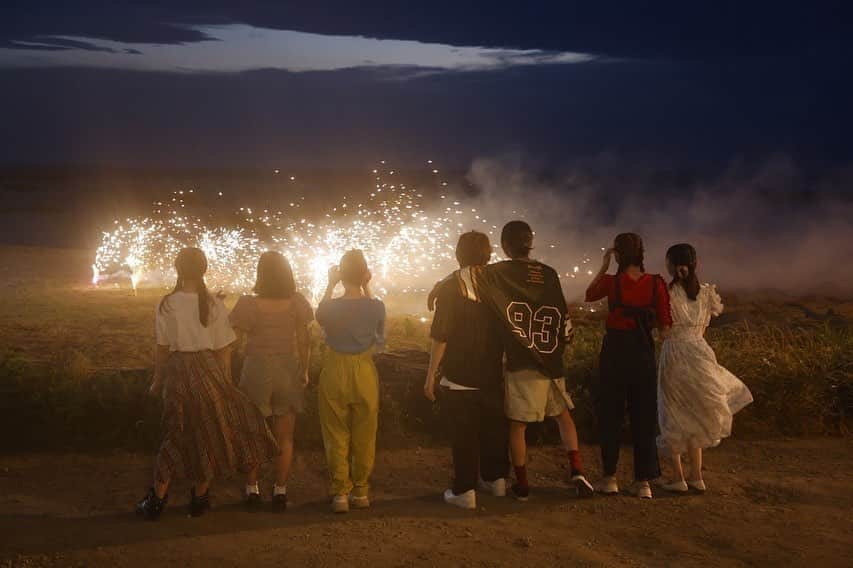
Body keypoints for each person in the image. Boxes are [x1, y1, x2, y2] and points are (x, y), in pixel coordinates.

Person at [435, 221, 593, 500]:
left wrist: (438, 287)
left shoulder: (499, 273)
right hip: (552, 363)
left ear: (505, 246)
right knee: (564, 417)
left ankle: (521, 484)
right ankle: (577, 470)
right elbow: (565, 324)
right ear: (529, 242)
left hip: (522, 362)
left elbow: (466, 277)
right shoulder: (549, 273)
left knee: (516, 426)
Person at [136, 247, 278, 520]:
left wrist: (157, 380)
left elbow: (162, 348)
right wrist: (224, 381)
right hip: (208, 370)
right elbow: (223, 348)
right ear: (204, 270)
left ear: (178, 270)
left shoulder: (167, 303)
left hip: (179, 371)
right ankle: (200, 498)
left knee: (175, 433)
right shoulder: (213, 303)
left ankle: (157, 499)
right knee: (209, 433)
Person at [657, 243, 753, 493]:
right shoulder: (707, 293)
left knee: (673, 413)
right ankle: (697, 476)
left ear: (669, 265)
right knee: (697, 412)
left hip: (675, 354)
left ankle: (678, 477)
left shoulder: (666, 293)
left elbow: (664, 332)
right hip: (700, 352)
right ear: (696, 264)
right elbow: (703, 328)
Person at [424, 231, 509, 510]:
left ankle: (465, 490)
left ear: (458, 253)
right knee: (494, 428)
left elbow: (441, 335)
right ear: (489, 253)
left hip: (461, 373)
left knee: (465, 432)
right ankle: (496, 480)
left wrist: (431, 375)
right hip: (493, 372)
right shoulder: (501, 281)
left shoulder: (452, 286)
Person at [585, 233, 672, 499]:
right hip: (643, 355)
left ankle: (609, 477)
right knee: (643, 417)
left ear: (618, 255)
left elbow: (589, 294)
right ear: (641, 254)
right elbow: (666, 328)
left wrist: (604, 265)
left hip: (614, 354)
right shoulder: (657, 283)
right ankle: (642, 482)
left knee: (610, 414)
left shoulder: (613, 282)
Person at [230, 251, 313, 512]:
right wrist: (305, 370)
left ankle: (252, 489)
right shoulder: (298, 302)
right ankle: (280, 490)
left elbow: (235, 341)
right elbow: (304, 341)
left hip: (256, 368)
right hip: (288, 367)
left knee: (253, 432)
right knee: (285, 435)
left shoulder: (247, 304)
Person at [316, 250, 386, 513]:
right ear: (365, 274)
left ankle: (339, 493)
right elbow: (380, 336)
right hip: (365, 370)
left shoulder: (330, 307)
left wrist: (330, 283)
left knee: (335, 432)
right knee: (365, 434)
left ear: (340, 274)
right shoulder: (376, 305)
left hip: (335, 369)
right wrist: (367, 286)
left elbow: (319, 315)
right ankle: (361, 491)